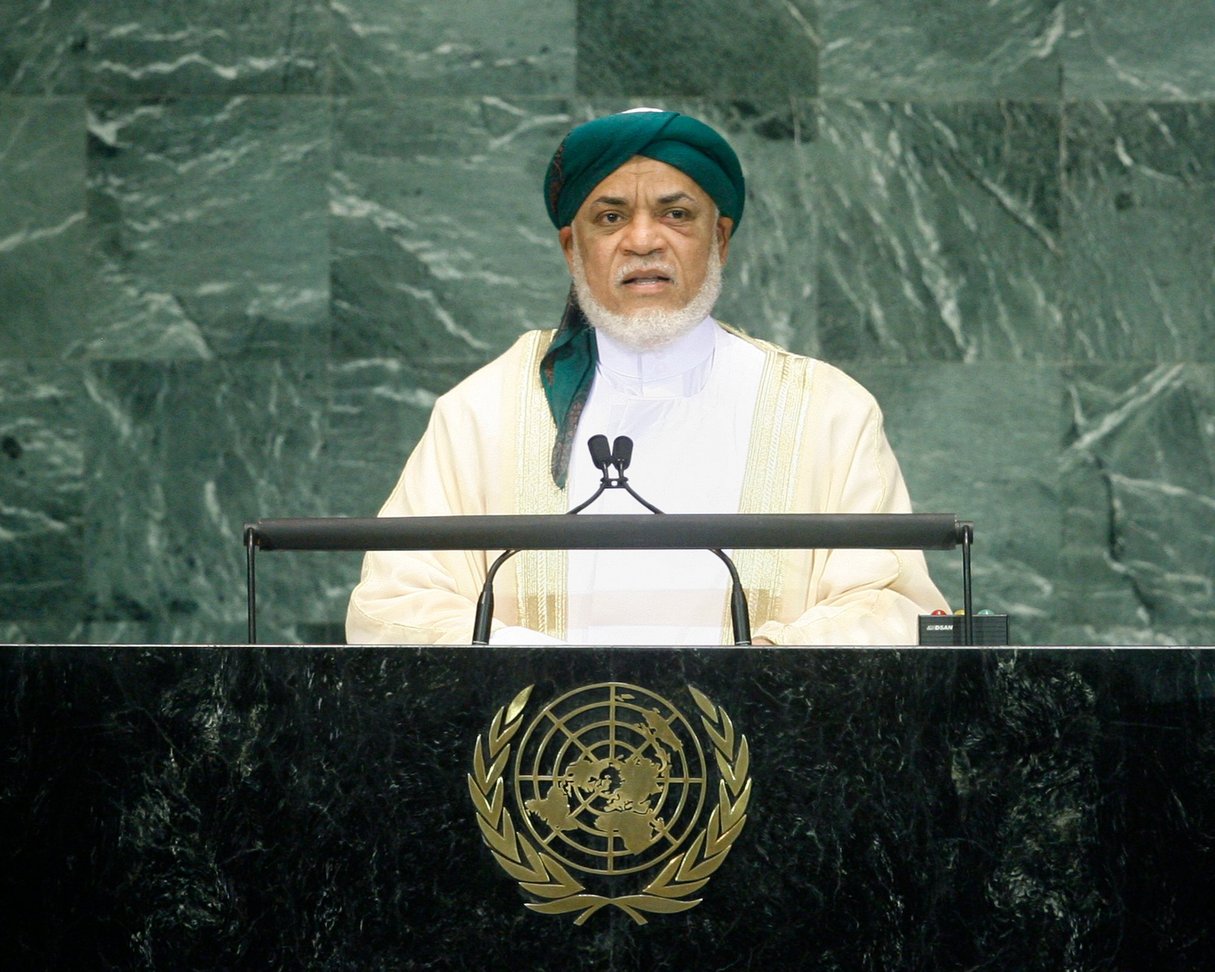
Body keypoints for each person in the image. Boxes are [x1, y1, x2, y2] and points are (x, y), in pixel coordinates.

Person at [346, 108, 948, 646]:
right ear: (571, 249)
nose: (642, 240)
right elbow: (391, 607)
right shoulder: (485, 412)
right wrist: (530, 664)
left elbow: (891, 604)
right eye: (610, 217)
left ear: (720, 239)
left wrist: (761, 673)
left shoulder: (827, 413)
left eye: (675, 214)